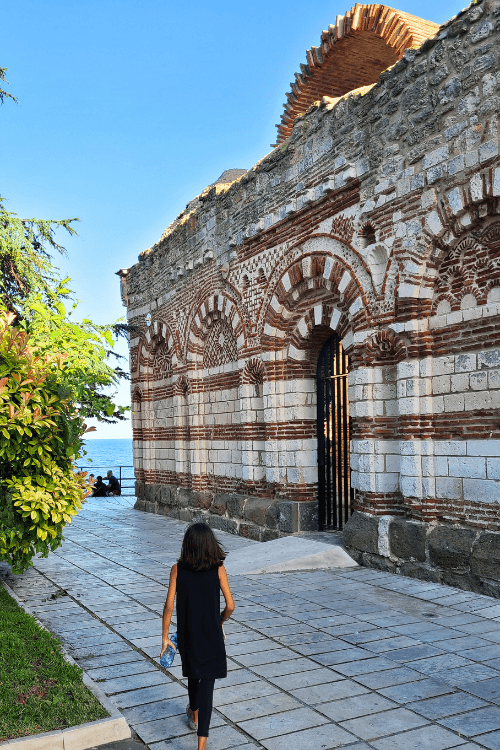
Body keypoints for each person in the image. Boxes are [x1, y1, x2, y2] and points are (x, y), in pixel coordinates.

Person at [161, 523, 234, 750]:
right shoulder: (218, 569)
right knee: (208, 685)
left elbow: (168, 606)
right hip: (211, 633)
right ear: (211, 545)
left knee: (193, 675)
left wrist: (165, 637)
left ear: (188, 546)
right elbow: (231, 605)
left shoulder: (177, 569)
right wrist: (220, 620)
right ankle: (201, 745)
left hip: (188, 633)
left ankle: (193, 713)